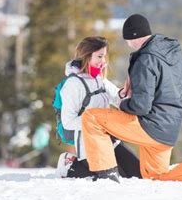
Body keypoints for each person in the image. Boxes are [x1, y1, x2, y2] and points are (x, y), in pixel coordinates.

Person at [81, 14, 182, 184]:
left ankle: (105, 175)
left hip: (150, 125)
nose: (128, 44)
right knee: (155, 177)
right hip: (169, 128)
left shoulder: (145, 59)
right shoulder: (173, 53)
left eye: (127, 40)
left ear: (132, 37)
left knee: (92, 118)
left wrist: (123, 103)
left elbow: (140, 107)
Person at [56, 36, 141, 179]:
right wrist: (95, 122)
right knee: (113, 178)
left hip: (110, 140)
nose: (103, 61)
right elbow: (68, 122)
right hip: (89, 146)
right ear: (86, 56)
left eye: (104, 56)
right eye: (99, 56)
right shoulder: (73, 85)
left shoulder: (99, 79)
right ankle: (69, 165)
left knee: (137, 174)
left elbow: (116, 97)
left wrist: (125, 93)